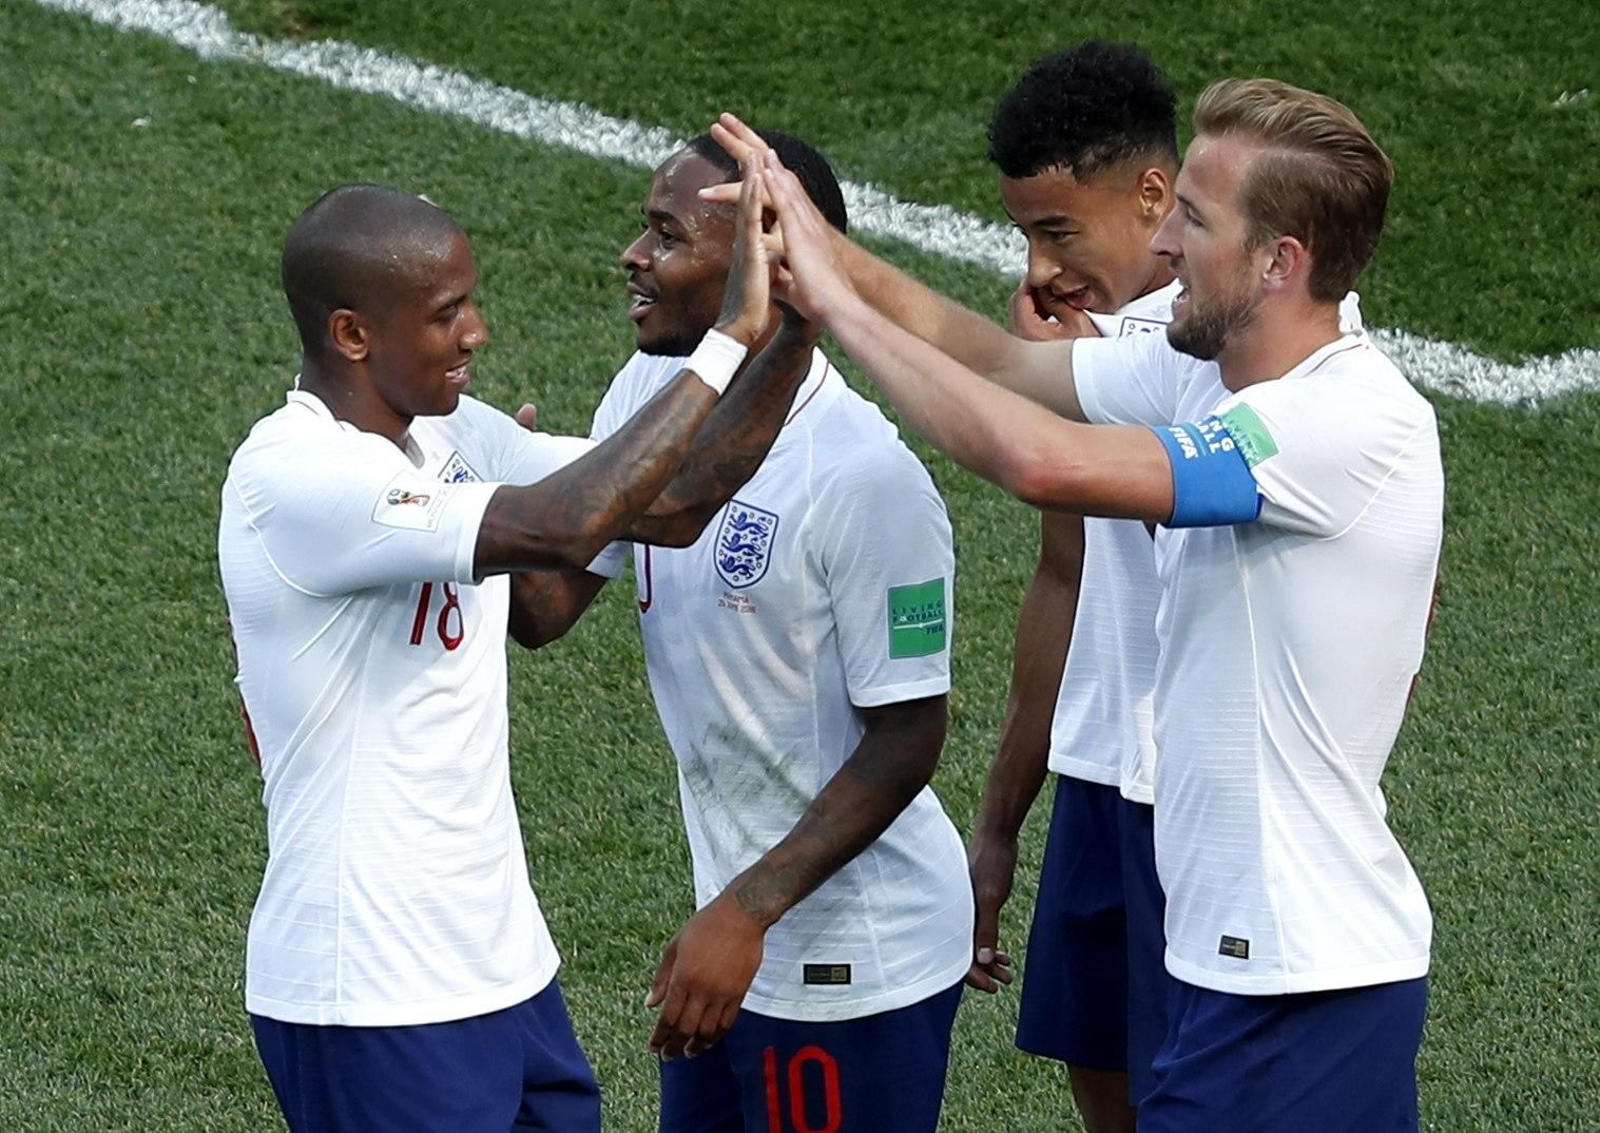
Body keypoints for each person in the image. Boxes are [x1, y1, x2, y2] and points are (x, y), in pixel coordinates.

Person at [731, 75, 1441, 1132]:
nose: (1162, 251)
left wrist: (830, 309)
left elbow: (1039, 460)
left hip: (1300, 982)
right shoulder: (1206, 372)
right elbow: (1010, 366)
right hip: (1240, 961)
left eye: (1194, 223)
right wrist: (827, 257)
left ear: (1277, 262)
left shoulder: (1344, 424)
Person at [219, 172, 811, 1133]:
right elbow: (569, 518)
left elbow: (671, 502)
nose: (477, 332)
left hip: (499, 967)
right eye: (448, 312)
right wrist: (728, 337)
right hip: (371, 987)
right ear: (353, 334)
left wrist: (793, 327)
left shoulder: (447, 433)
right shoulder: (295, 476)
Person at [597, 131, 973, 1133]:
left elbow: (909, 735)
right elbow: (548, 600)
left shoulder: (865, 479)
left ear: (763, 264)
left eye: (664, 235)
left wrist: (744, 908)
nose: (633, 256)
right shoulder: (648, 396)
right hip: (731, 945)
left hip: (855, 962)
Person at [961, 43, 1182, 1133]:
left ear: (1152, 194)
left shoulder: (1230, 349)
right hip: (1099, 782)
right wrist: (1000, 821)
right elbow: (1065, 572)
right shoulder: (1080, 347)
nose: (1039, 264)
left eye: (1057, 230)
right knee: (1105, 1086)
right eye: (1025, 234)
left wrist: (1056, 387)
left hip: (1194, 797)